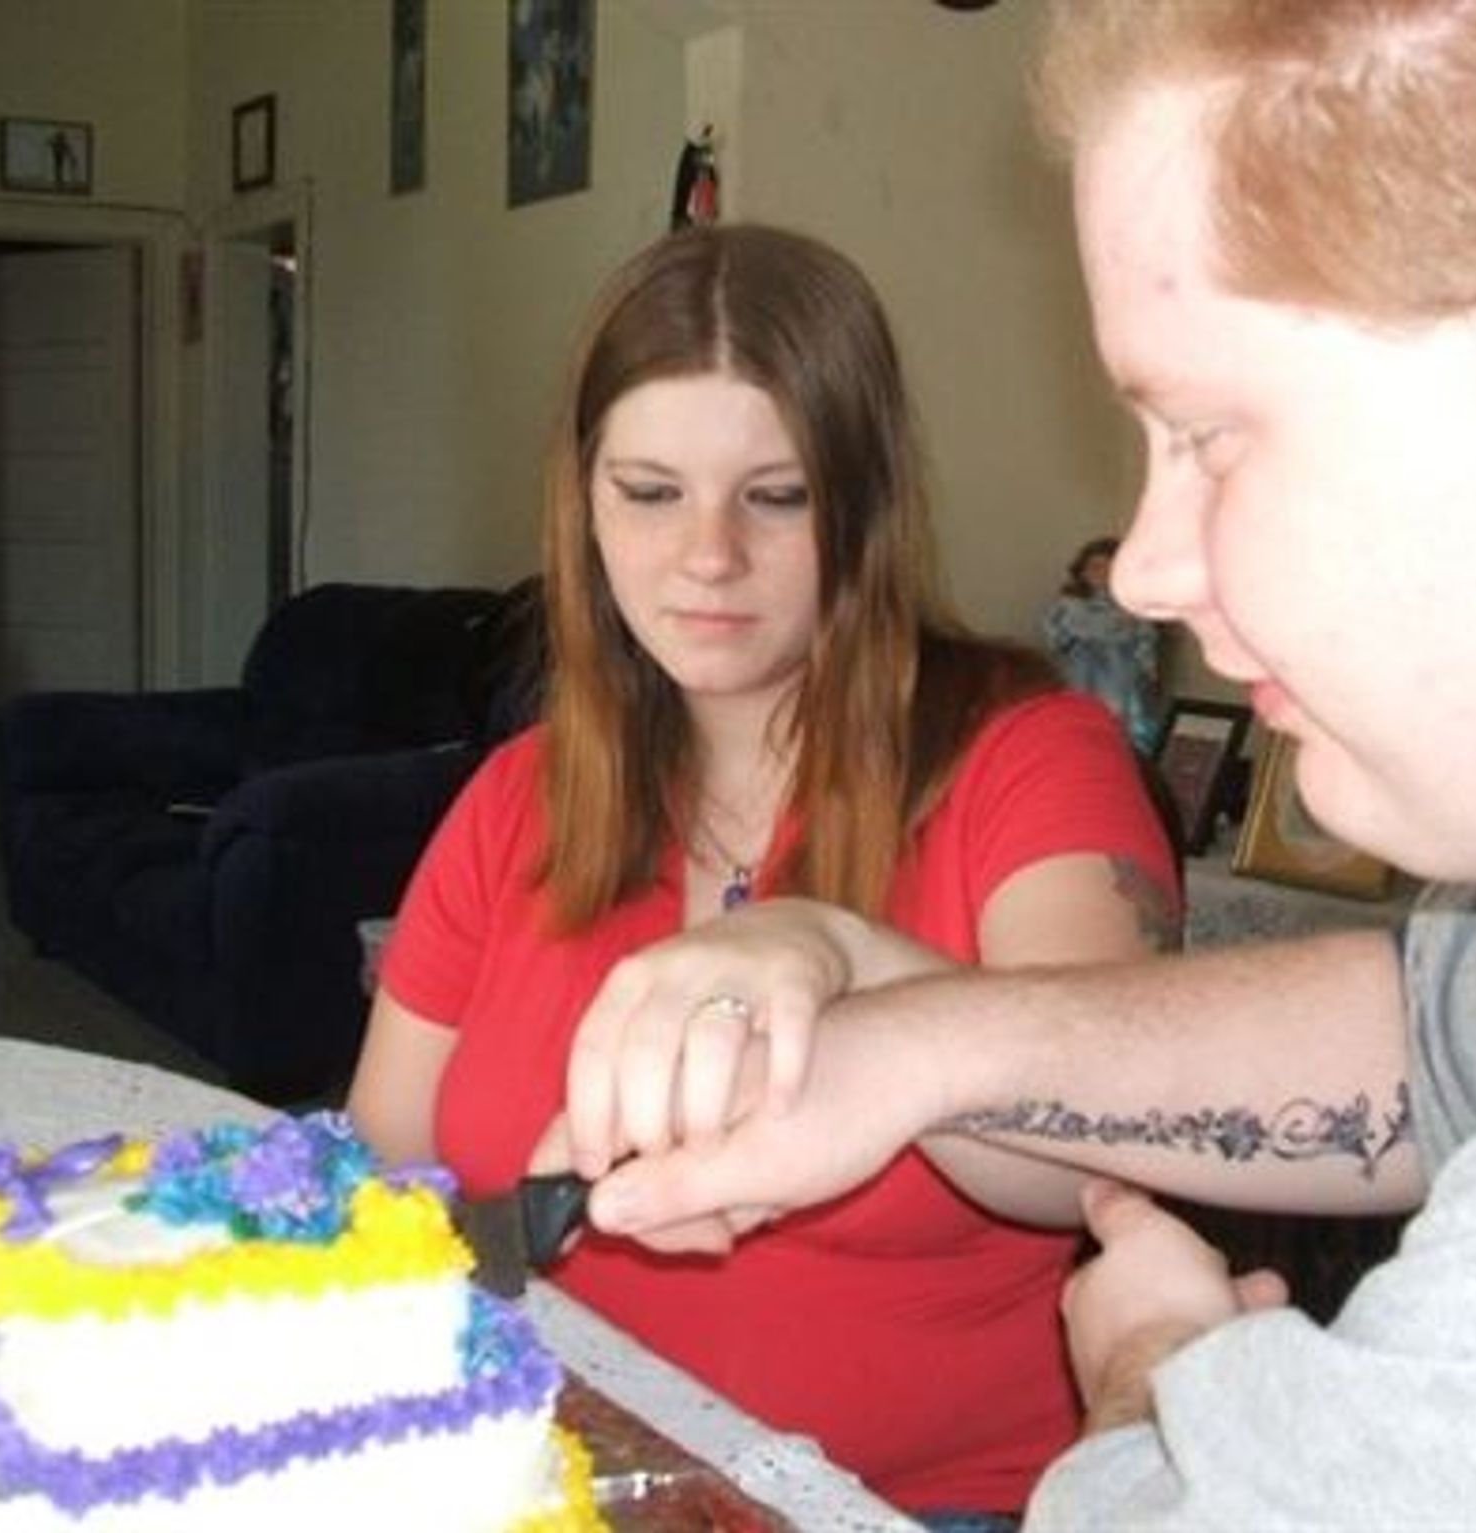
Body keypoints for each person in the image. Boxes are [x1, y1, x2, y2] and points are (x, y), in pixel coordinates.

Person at [559, 2, 1476, 1527]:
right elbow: (1424, 1031)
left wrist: (1158, 1378)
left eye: (1209, 436)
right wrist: (914, 1038)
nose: (1145, 567)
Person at [344, 223, 1181, 1526]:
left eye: (776, 496)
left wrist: (846, 954)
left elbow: (1097, 1140)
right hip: (548, 1483)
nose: (708, 555)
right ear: (583, 503)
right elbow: (387, 1178)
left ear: (863, 504)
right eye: (650, 491)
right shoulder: (516, 797)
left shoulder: (1032, 757)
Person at [1041, 535, 1163, 753]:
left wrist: (1147, 670)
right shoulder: (1068, 606)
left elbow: (1146, 643)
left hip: (1122, 678)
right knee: (1082, 726)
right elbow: (1055, 640)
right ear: (1082, 571)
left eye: (1109, 568)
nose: (1102, 574)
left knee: (1123, 724)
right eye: (1095, 567)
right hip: (1082, 675)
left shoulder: (1133, 607)